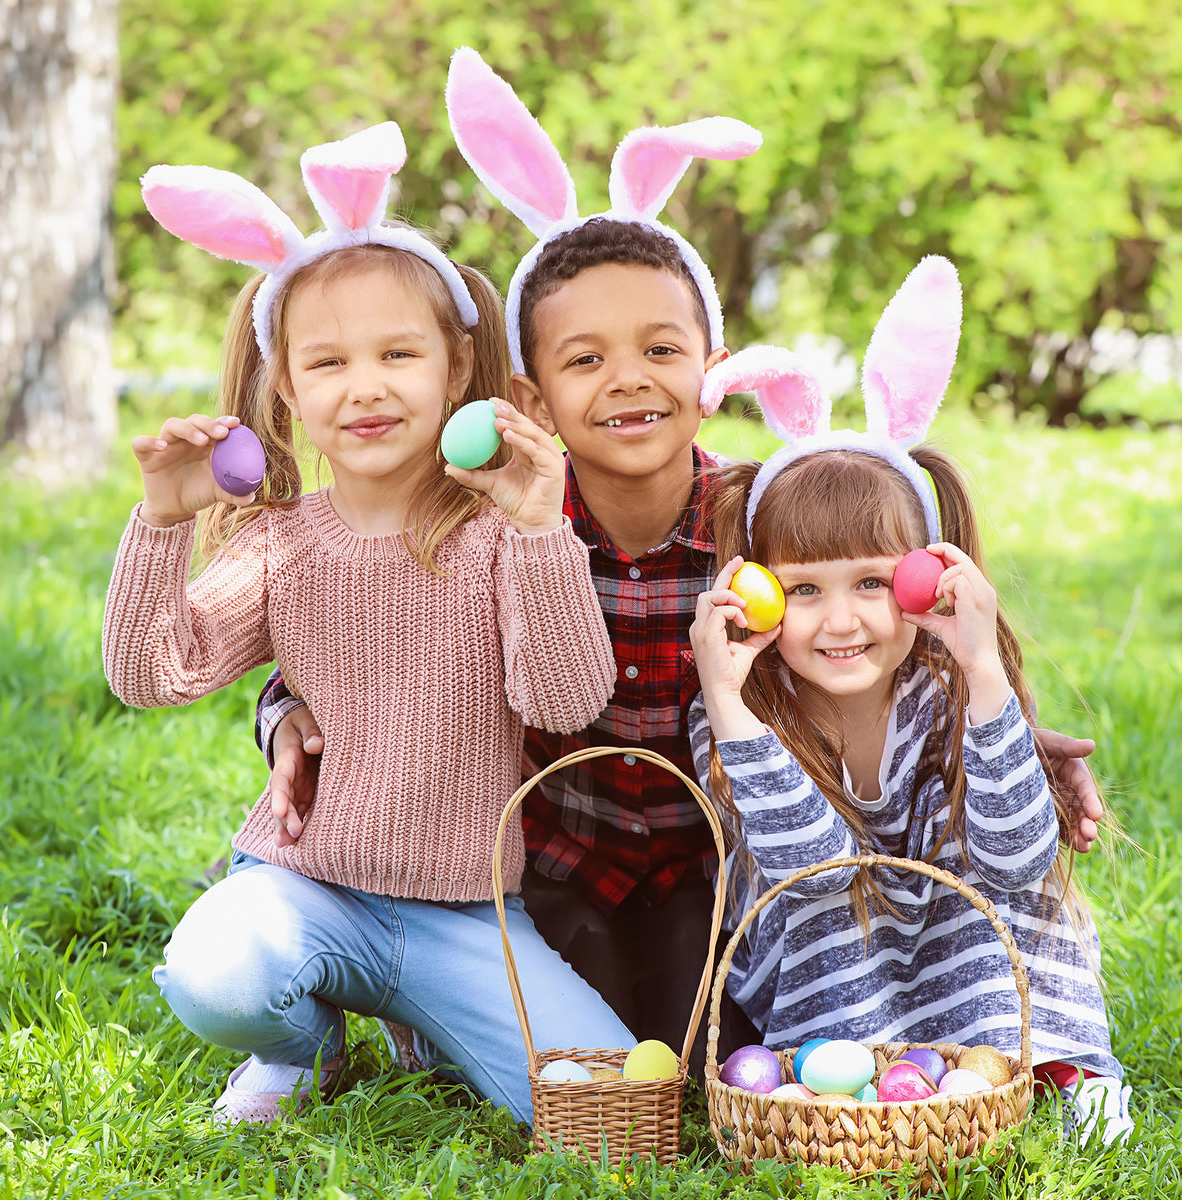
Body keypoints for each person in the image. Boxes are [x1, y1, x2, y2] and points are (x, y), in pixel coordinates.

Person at [255, 54, 1106, 1076]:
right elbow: (358, 643)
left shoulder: (765, 521)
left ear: (712, 375)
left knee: (702, 1057)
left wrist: (998, 729)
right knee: (550, 1070)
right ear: (531, 402)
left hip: (724, 864)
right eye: (584, 361)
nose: (628, 382)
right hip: (551, 863)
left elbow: (882, 625)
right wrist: (281, 711)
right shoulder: (492, 521)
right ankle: (370, 1011)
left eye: (662, 351)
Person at [102, 123, 634, 1126]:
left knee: (602, 1118)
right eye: (329, 363)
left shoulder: (492, 539)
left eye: (398, 353)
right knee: (215, 971)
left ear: (455, 363)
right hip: (307, 890)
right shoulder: (280, 544)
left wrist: (536, 528)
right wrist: (163, 524)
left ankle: (421, 1018)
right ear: (289, 389)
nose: (367, 386)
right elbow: (151, 675)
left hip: (468, 915)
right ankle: (303, 1049)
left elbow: (565, 697)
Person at [687, 256, 1132, 1143]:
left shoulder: (948, 693)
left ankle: (1054, 1069)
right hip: (829, 944)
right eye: (802, 590)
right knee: (831, 916)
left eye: (873, 584)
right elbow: (807, 872)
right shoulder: (736, 713)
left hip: (954, 927)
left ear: (928, 584)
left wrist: (986, 676)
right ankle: (860, 1085)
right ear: (758, 591)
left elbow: (1012, 857)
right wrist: (727, 701)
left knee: (991, 909)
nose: (840, 620)